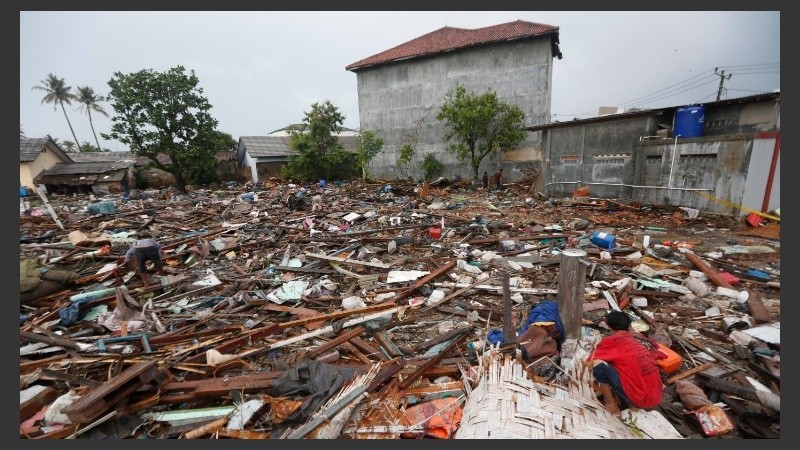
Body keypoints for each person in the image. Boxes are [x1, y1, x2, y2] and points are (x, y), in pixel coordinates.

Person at [586, 310, 666, 418]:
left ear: (608, 325)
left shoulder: (610, 341)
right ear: (628, 326)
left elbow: (589, 361)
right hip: (656, 397)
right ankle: (632, 402)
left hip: (641, 399)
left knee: (598, 365)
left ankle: (612, 406)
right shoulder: (635, 341)